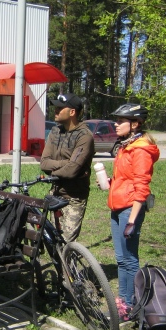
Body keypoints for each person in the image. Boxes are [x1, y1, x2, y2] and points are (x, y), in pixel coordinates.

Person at [107, 103, 160, 321]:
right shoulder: (126, 146)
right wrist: (111, 182)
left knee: (129, 259)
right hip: (118, 206)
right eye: (116, 120)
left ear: (135, 124)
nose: (116, 124)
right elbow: (127, 178)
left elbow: (142, 187)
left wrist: (132, 220)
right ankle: (123, 302)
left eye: (121, 121)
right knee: (121, 259)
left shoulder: (140, 150)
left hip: (130, 209)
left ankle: (129, 306)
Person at [40, 93, 95, 242]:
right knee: (53, 240)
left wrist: (65, 167)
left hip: (74, 197)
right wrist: (67, 163)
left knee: (66, 242)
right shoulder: (55, 131)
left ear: (72, 112)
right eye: (56, 107)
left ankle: (68, 258)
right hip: (55, 194)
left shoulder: (84, 136)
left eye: (60, 108)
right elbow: (44, 163)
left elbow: (71, 171)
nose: (56, 111)